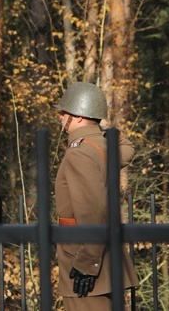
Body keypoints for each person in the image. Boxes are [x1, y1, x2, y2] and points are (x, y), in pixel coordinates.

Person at [54, 82, 139, 310]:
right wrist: (100, 129)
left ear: (80, 117)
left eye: (65, 112)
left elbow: (93, 211)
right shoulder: (102, 146)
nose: (60, 116)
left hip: (86, 261)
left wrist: (86, 264)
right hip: (107, 260)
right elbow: (128, 147)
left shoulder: (79, 153)